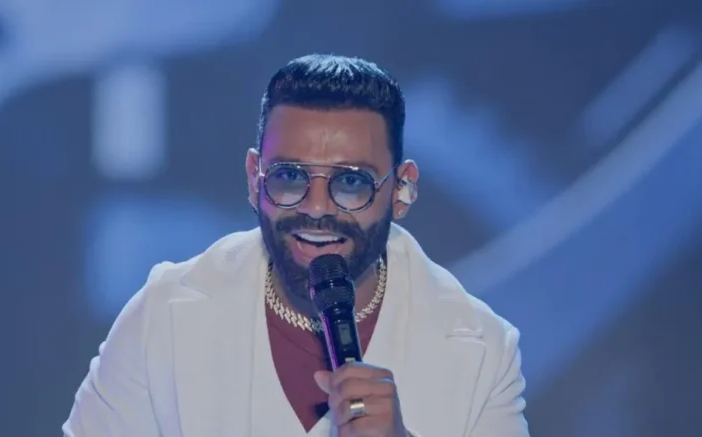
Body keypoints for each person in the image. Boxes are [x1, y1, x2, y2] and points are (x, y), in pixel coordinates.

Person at [62, 53, 530, 437]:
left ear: (402, 189)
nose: (316, 208)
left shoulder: (483, 348)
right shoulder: (162, 315)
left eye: (351, 182)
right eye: (289, 177)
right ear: (254, 180)